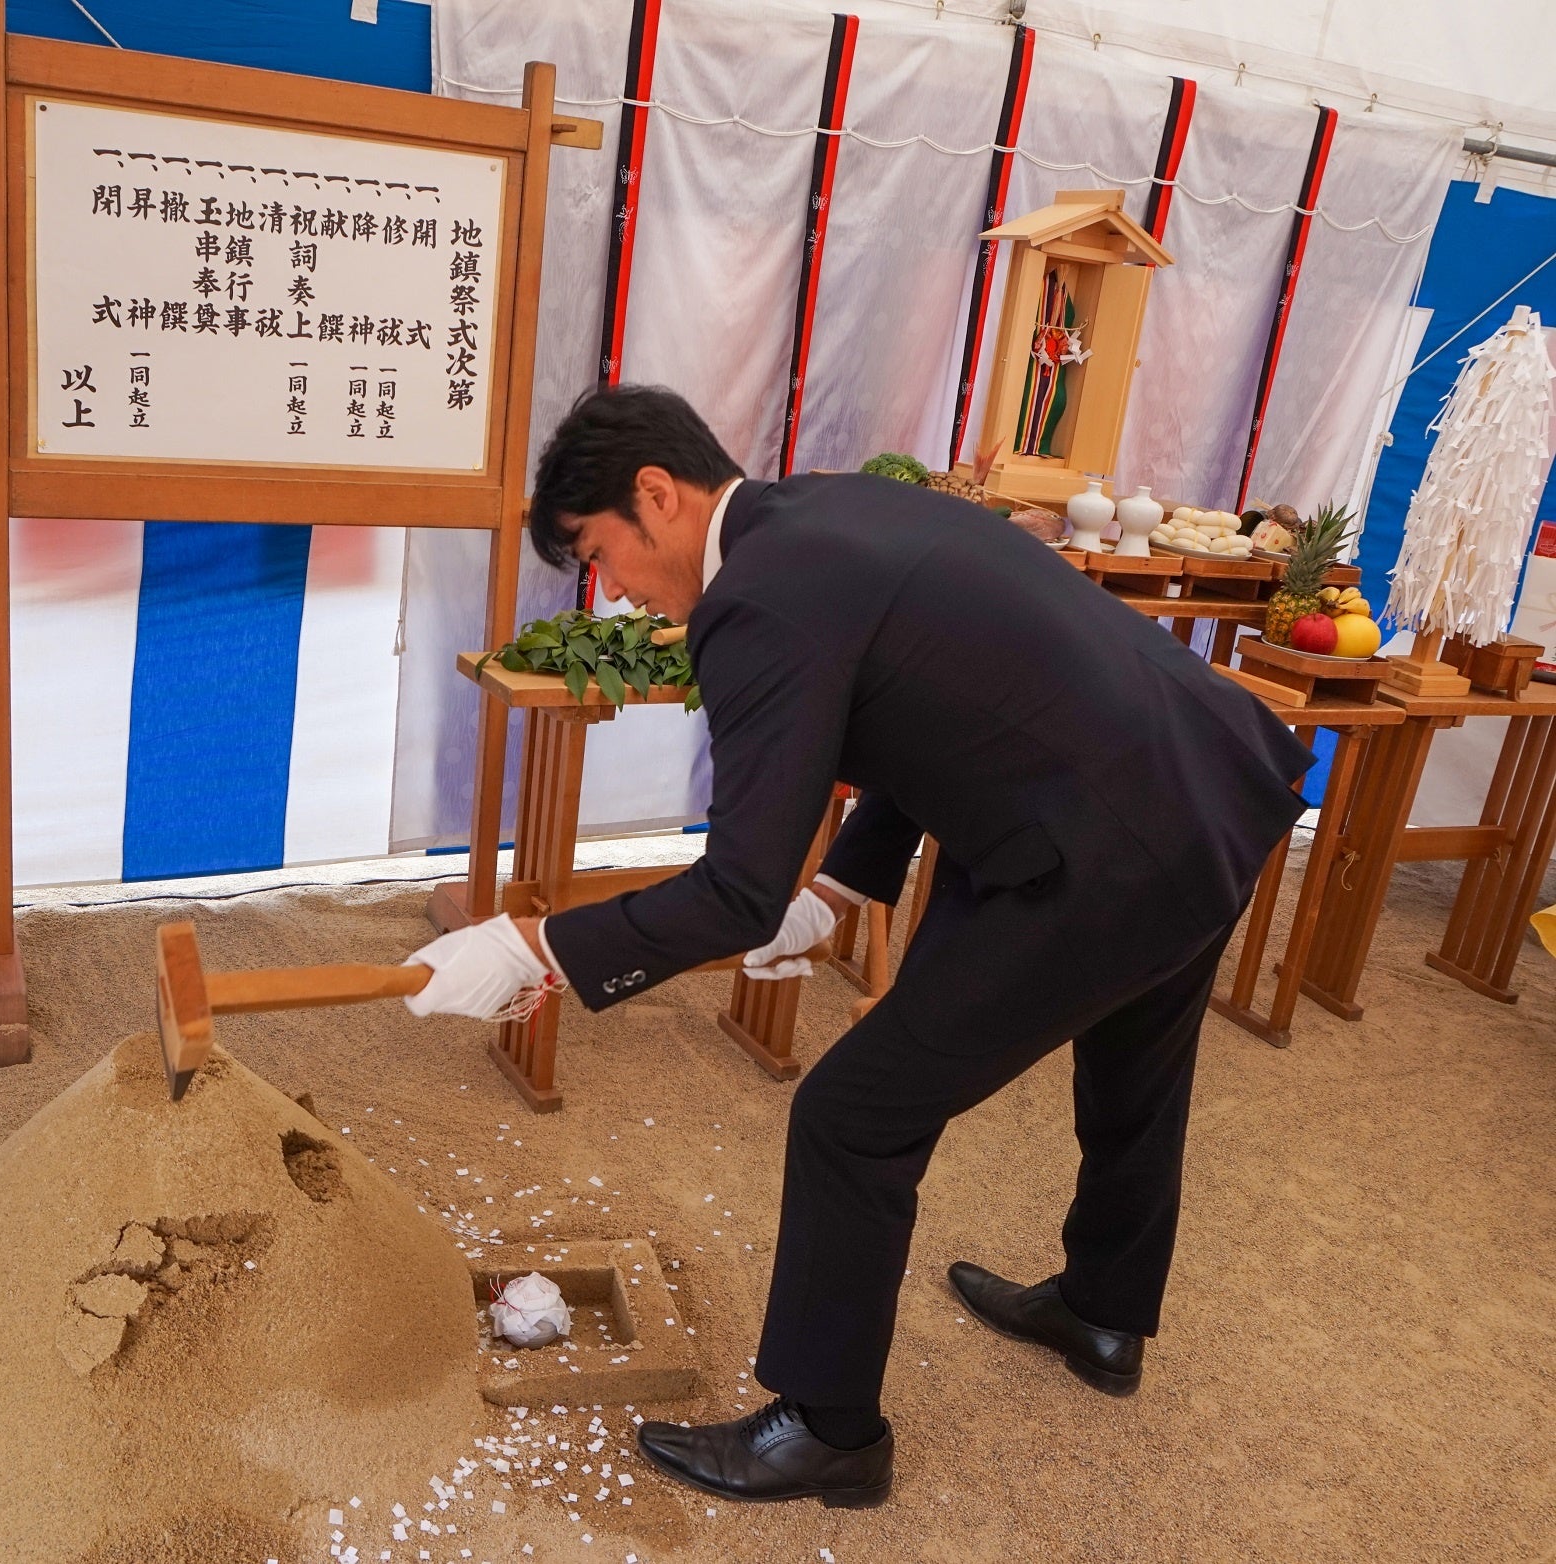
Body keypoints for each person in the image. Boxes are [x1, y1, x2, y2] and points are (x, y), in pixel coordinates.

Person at [402, 385, 1311, 1509]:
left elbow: (737, 891)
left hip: (1107, 846)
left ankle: (829, 1430)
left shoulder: (753, 603)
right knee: (1137, 1057)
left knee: (852, 1117)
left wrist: (538, 948)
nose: (616, 591)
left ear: (656, 494)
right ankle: (1104, 1312)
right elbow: (933, 702)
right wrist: (836, 890)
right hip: (1212, 781)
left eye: (600, 555)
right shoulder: (835, 513)